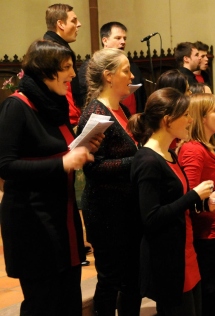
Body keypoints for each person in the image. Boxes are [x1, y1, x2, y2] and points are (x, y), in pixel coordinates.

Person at [0, 40, 99, 316]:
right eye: (66, 68)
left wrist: (85, 146)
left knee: (68, 301)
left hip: (61, 220)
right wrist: (63, 163)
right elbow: (5, 165)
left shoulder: (52, 106)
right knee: (43, 304)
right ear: (46, 71)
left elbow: (60, 149)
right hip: (32, 224)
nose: (72, 75)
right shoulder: (16, 107)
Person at [129, 88, 214, 316]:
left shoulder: (170, 153)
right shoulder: (147, 160)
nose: (190, 120)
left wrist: (204, 202)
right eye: (185, 114)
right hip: (167, 259)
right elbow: (151, 217)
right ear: (167, 120)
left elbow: (177, 201)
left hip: (185, 251)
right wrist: (194, 196)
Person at [77, 48, 141, 315]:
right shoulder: (95, 113)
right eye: (126, 70)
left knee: (133, 281)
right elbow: (94, 167)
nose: (132, 75)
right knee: (110, 281)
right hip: (105, 210)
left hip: (126, 207)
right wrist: (138, 161)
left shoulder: (121, 108)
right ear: (108, 76)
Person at [178, 93, 215, 316]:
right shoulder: (193, 149)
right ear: (201, 117)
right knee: (211, 292)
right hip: (205, 234)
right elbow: (190, 195)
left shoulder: (212, 144)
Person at [78, 21, 147, 115]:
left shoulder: (132, 65)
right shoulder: (92, 65)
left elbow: (141, 97)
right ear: (105, 40)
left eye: (124, 38)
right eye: (118, 38)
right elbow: (84, 96)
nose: (123, 42)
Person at [44, 3, 83, 126]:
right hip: (64, 118)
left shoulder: (56, 46)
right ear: (60, 24)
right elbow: (61, 86)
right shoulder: (52, 50)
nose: (79, 24)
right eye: (74, 21)